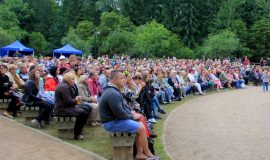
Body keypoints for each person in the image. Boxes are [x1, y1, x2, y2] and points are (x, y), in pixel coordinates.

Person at [99, 70, 158, 160]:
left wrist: (131, 113)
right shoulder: (112, 93)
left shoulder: (114, 90)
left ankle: (140, 154)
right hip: (111, 123)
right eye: (122, 78)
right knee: (141, 128)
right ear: (114, 80)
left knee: (140, 123)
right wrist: (132, 116)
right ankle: (148, 154)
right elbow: (120, 114)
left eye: (124, 78)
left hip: (115, 120)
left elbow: (123, 107)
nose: (124, 80)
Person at [54, 72, 89, 140]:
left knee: (85, 110)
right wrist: (76, 99)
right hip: (62, 110)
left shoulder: (65, 85)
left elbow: (69, 100)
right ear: (68, 79)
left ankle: (78, 130)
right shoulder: (64, 87)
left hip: (65, 107)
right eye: (73, 79)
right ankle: (76, 133)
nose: (74, 81)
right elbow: (68, 102)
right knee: (83, 114)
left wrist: (76, 100)